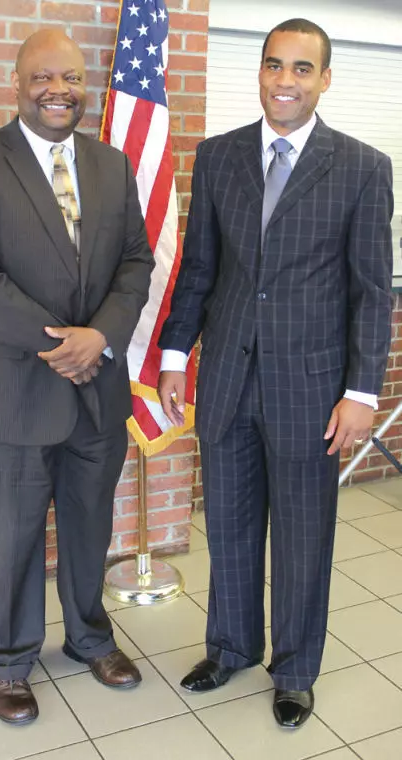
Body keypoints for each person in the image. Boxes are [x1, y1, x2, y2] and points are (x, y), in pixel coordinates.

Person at [158, 18, 393, 728]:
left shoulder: (362, 167)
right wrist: (175, 356)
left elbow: (370, 292)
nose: (284, 80)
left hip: (311, 390)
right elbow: (199, 267)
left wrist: (361, 391)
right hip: (226, 380)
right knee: (228, 527)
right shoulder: (218, 156)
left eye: (301, 68)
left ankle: (293, 670)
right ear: (258, 72)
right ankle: (229, 647)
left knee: (301, 538)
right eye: (273, 65)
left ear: (325, 79)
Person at [0, 29, 154, 725]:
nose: (58, 90)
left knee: (90, 527)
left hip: (97, 392)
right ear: (17, 82)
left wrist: (102, 337)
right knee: (9, 538)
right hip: (9, 393)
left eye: (71, 78)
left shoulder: (113, 165)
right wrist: (63, 346)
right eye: (42, 77)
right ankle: (6, 660)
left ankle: (90, 638)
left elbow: (135, 262)